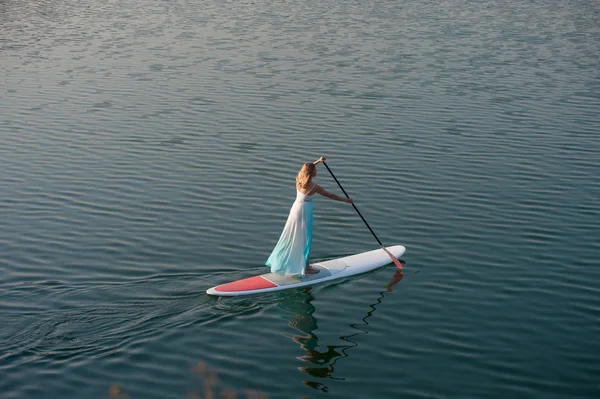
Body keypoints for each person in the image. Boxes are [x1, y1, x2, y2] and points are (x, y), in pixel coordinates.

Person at [266, 156, 353, 277]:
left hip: (295, 209)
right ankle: (306, 268)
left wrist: (318, 161)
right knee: (305, 239)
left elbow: (307, 167)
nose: (317, 171)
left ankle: (299, 263)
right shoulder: (314, 186)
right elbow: (331, 195)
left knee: (294, 237)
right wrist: (346, 200)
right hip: (304, 212)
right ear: (312, 173)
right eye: (315, 170)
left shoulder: (299, 180)